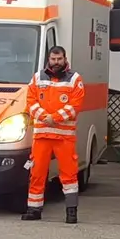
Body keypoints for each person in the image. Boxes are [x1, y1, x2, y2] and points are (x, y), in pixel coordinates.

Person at [23, 45, 84, 224]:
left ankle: (71, 212)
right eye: (53, 59)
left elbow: (75, 106)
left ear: (65, 59)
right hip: (42, 136)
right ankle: (34, 209)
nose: (56, 62)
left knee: (69, 175)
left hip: (64, 137)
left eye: (59, 59)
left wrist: (54, 118)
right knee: (37, 173)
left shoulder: (74, 79)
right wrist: (44, 117)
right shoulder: (37, 78)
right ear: (48, 59)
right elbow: (30, 102)